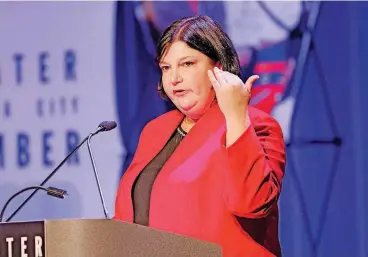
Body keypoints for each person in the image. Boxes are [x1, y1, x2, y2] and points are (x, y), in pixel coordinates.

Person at [113, 15, 286, 257]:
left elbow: (252, 203)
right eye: (166, 68)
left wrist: (236, 117)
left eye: (187, 64)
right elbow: (131, 214)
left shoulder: (257, 125)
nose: (174, 78)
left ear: (218, 68)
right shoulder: (155, 131)